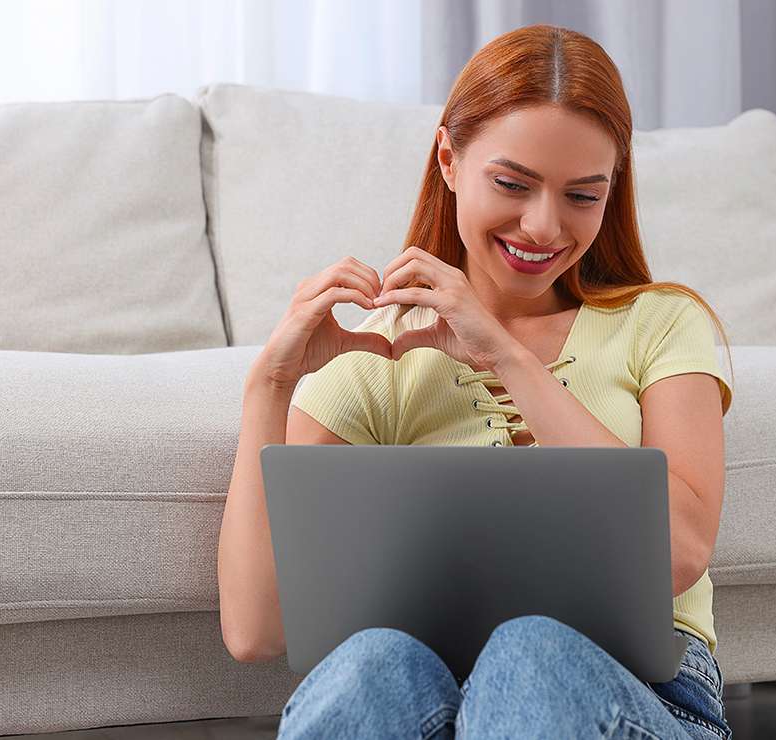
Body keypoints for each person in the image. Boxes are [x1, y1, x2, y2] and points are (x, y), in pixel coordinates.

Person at [217, 23, 736, 740]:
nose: (544, 225)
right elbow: (257, 631)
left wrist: (505, 356)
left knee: (532, 652)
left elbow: (677, 554)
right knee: (371, 664)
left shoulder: (661, 324)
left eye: (583, 196)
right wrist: (268, 385)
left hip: (644, 694)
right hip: (421, 696)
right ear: (450, 159)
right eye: (513, 184)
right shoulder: (382, 355)